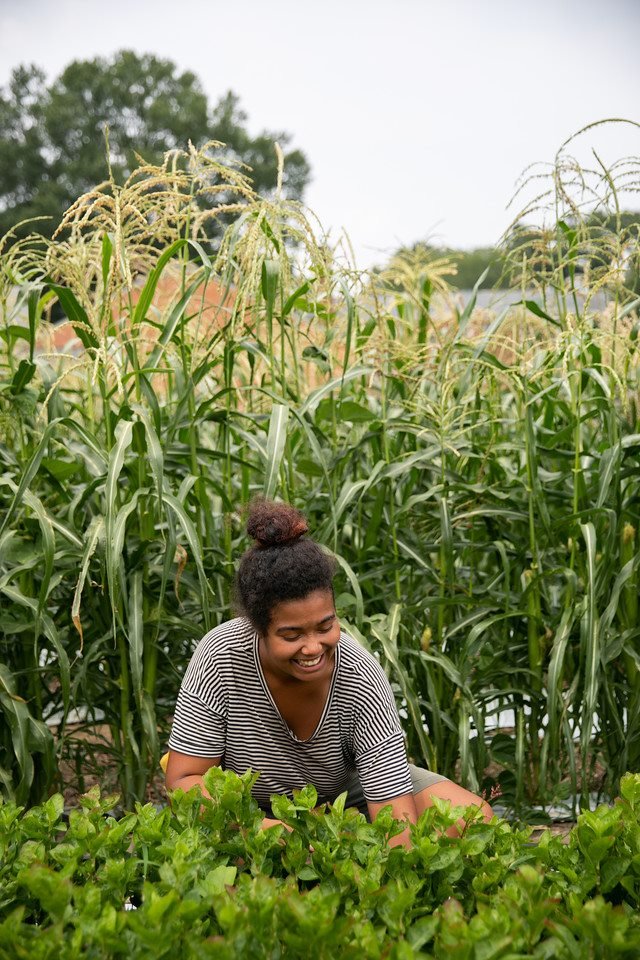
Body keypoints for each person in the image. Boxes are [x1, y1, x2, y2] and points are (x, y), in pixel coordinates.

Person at [165, 499, 492, 847]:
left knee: (471, 818)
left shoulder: (359, 673)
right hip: (247, 806)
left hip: (344, 796)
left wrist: (380, 866)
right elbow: (186, 777)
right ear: (257, 629)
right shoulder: (221, 655)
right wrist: (271, 833)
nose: (313, 648)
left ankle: (333, 849)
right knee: (241, 854)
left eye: (325, 626)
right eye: (291, 635)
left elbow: (396, 820)